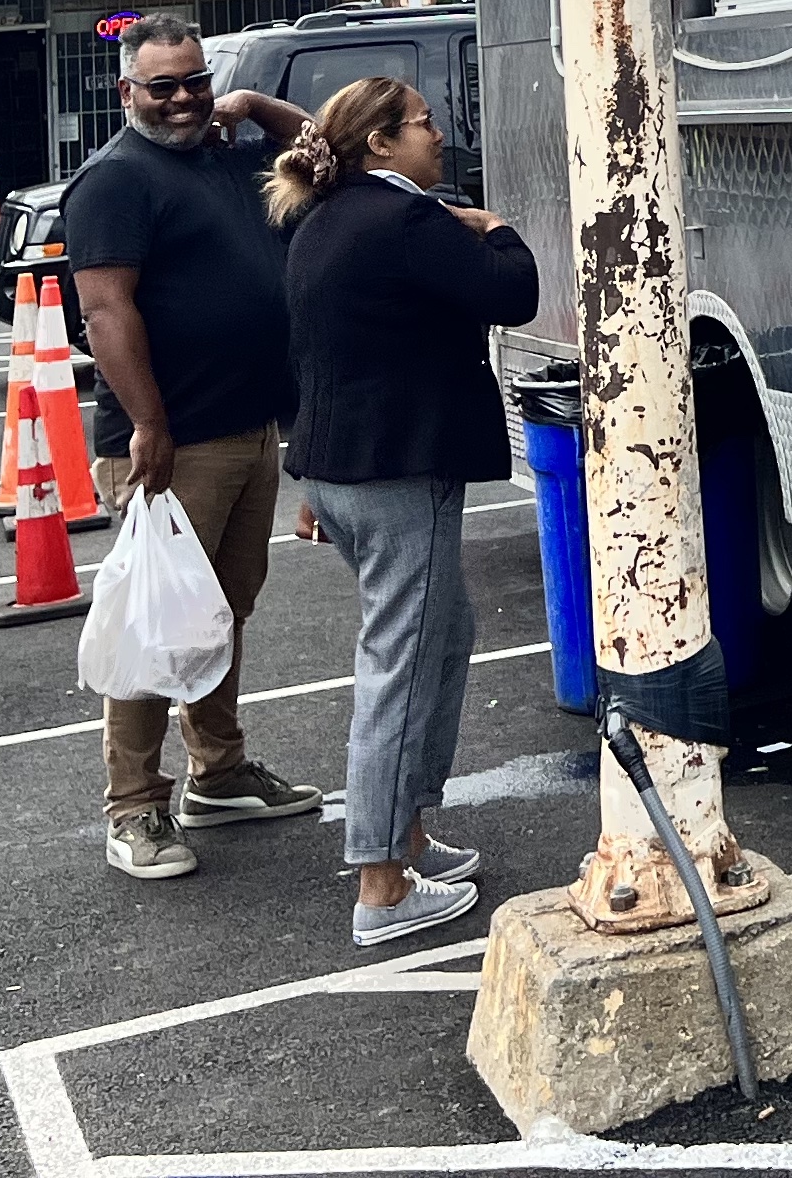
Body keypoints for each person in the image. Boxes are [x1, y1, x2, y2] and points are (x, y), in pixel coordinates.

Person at [265, 75, 539, 949]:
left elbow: (315, 357)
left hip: (344, 473)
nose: (438, 136)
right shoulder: (405, 219)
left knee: (440, 634)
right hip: (396, 472)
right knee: (401, 663)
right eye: (425, 125)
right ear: (381, 143)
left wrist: (312, 481)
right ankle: (382, 884)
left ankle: (411, 832)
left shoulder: (323, 220)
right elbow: (512, 292)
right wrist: (492, 225)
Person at [66, 12, 321, 882]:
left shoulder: (230, 152)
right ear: (126, 90)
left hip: (249, 428)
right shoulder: (114, 181)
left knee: (222, 611)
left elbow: (327, 151)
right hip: (171, 442)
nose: (182, 101)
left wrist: (254, 102)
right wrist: (148, 427)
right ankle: (133, 807)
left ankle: (218, 772)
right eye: (162, 86)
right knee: (155, 623)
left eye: (195, 82)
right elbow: (107, 311)